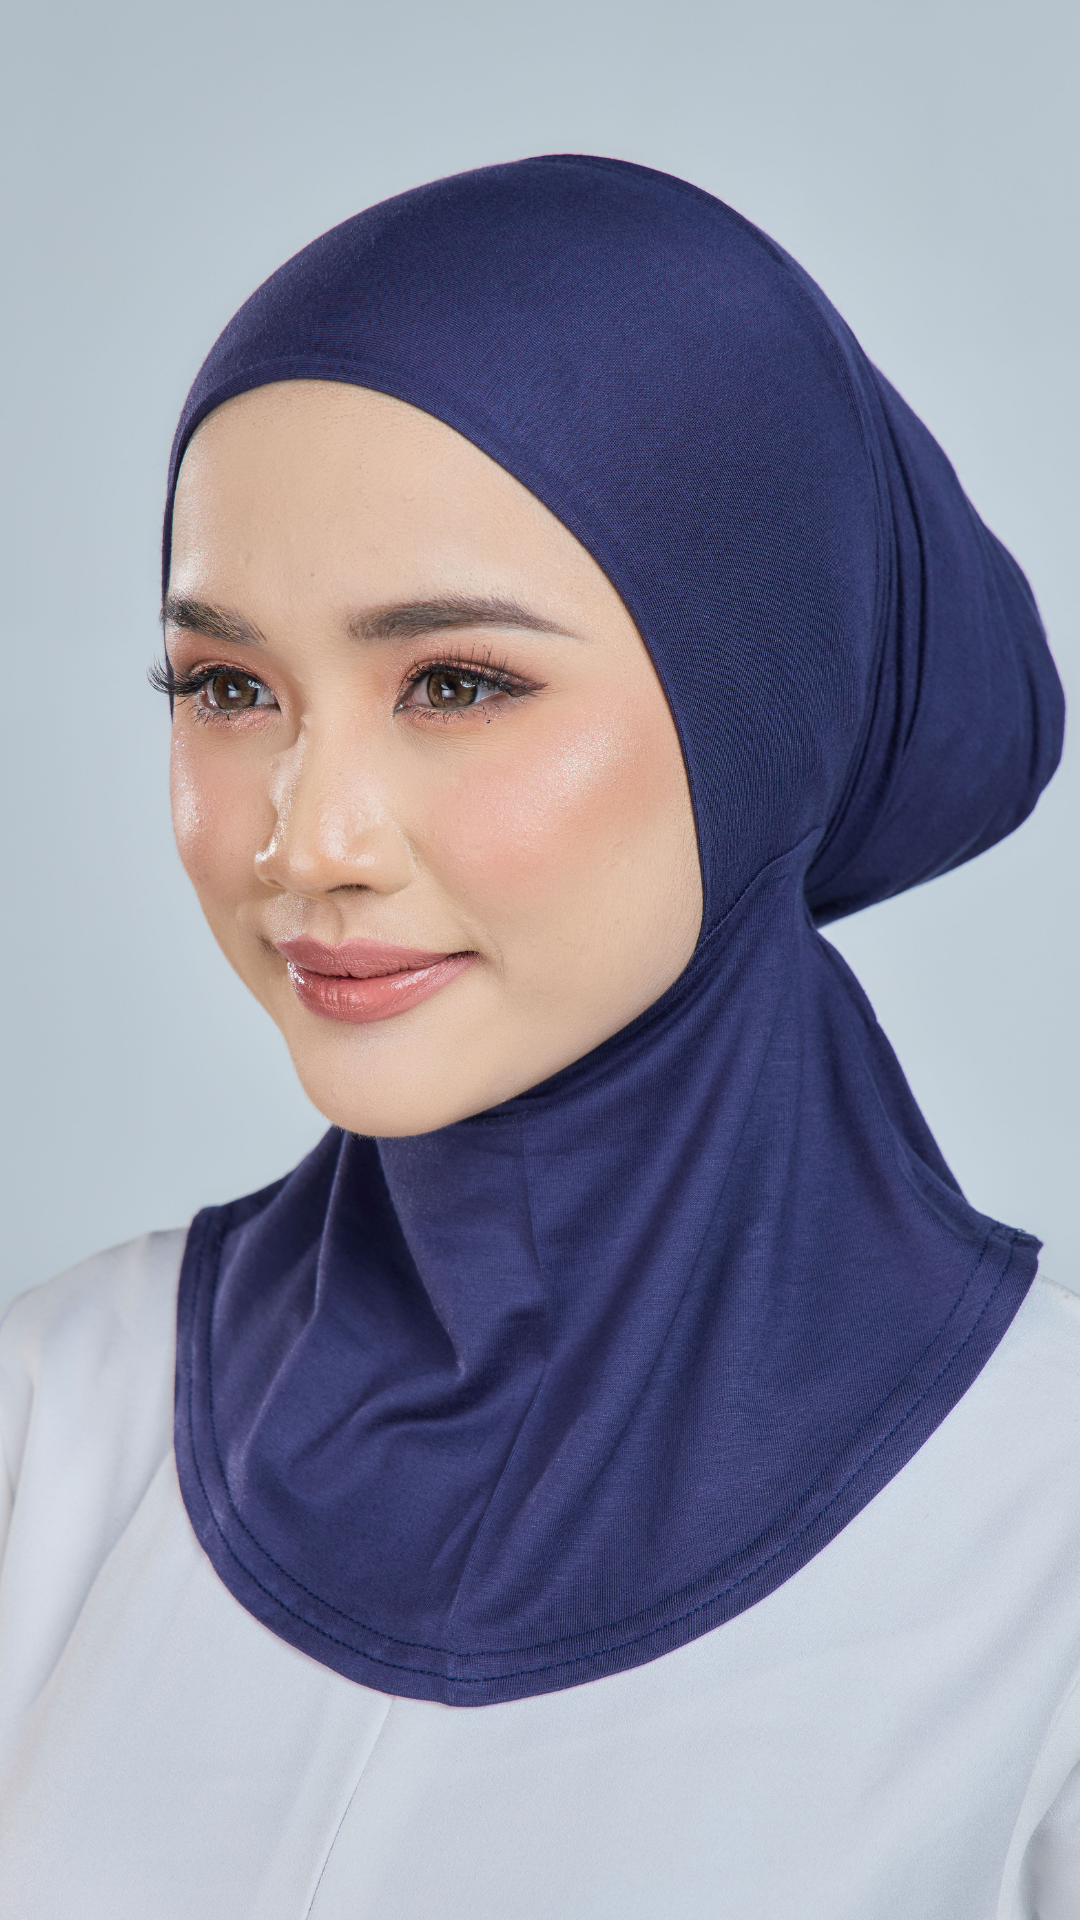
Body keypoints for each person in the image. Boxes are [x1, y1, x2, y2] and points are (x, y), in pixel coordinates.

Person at [0, 155, 1074, 1918]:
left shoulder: (1043, 1551)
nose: (306, 841)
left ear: (763, 714)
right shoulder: (54, 1427)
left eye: (455, 684)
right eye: (228, 687)